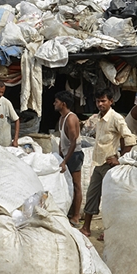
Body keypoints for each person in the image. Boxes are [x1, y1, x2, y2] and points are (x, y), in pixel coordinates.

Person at [79, 89, 136, 238]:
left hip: (110, 164)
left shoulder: (116, 118)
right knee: (92, 195)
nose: (100, 104)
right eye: (98, 101)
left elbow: (129, 139)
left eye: (103, 101)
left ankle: (108, 230)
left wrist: (120, 160)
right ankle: (86, 228)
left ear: (111, 101)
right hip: (98, 163)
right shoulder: (98, 118)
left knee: (109, 199)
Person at [53, 90, 83, 226]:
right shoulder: (61, 118)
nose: (54, 104)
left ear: (63, 104)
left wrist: (65, 160)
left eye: (57, 102)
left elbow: (74, 142)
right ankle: (70, 212)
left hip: (74, 155)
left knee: (76, 185)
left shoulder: (71, 118)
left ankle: (76, 216)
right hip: (67, 155)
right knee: (67, 184)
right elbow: (62, 140)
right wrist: (60, 156)